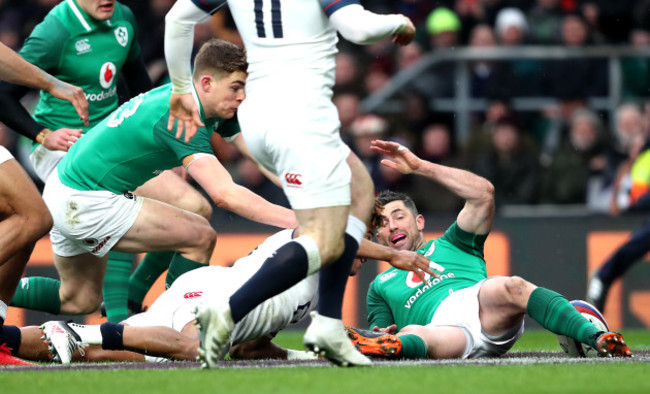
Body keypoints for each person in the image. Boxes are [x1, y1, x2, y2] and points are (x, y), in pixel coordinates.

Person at [164, 0, 418, 367]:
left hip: (257, 118)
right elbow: (359, 28)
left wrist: (179, 88)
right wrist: (399, 22)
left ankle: (327, 325)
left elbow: (176, 19)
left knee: (361, 189)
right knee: (324, 239)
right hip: (301, 117)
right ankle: (229, 310)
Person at [27, 39, 297, 328]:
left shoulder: (206, 105)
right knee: (199, 236)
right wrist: (298, 221)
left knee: (78, 299)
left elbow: (261, 158)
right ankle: (173, 330)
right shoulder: (183, 115)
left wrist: (307, 195)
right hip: (85, 199)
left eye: (244, 87)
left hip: (65, 189)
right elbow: (225, 195)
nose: (242, 96)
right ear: (207, 83)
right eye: (235, 87)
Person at [0, 0, 213, 324]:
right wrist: (43, 134)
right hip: (65, 148)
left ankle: (128, 299)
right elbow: (4, 93)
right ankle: (132, 320)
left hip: (112, 140)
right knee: (183, 208)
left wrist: (165, 147)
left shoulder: (123, 18)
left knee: (79, 298)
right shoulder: (56, 31)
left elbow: (138, 85)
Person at [346, 140, 632, 360]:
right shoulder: (380, 286)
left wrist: (421, 167)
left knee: (511, 286)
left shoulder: (454, 241)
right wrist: (383, 335)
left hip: (484, 309)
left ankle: (597, 338)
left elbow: (483, 195)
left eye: (399, 216)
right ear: (378, 236)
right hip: (444, 334)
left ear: (419, 222)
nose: (392, 226)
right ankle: (398, 347)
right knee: (411, 334)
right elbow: (380, 329)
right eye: (382, 223)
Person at [0, 41, 88, 366]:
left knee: (30, 217)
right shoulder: (58, 27)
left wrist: (49, 85)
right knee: (32, 216)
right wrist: (51, 83)